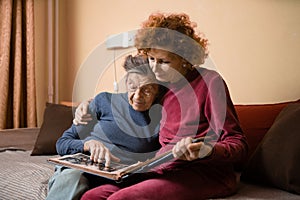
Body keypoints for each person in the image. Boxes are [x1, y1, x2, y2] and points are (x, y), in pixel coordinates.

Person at [77, 12, 249, 200]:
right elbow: (129, 98)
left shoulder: (210, 82)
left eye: (164, 62)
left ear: (185, 58)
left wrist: (206, 149)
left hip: (205, 173)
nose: (155, 68)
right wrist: (89, 105)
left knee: (120, 199)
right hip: (163, 169)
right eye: (151, 59)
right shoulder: (161, 85)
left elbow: (238, 144)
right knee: (92, 196)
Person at [46, 55, 163, 200]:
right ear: (126, 82)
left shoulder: (161, 117)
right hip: (80, 169)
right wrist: (88, 145)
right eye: (132, 86)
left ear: (158, 90)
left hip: (119, 176)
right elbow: (62, 144)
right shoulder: (104, 101)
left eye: (147, 90)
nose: (137, 96)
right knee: (73, 177)